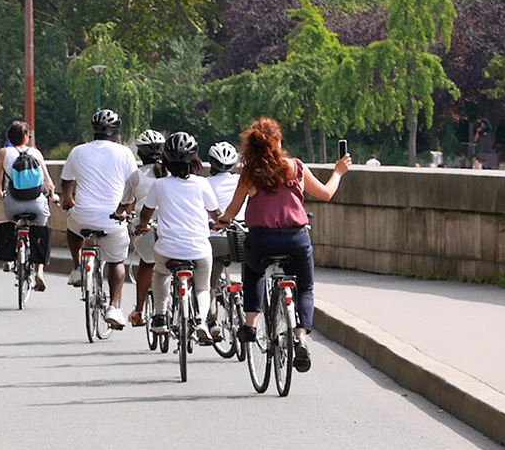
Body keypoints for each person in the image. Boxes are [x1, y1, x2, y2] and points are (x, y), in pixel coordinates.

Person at [215, 117, 350, 373]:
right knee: (306, 288)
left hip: (261, 240)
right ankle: (301, 338)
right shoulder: (295, 167)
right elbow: (326, 193)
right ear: (278, 142)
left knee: (253, 272)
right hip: (296, 239)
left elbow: (232, 211)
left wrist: (221, 222)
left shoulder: (249, 174)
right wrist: (338, 172)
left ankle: (251, 324)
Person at [135, 132, 223, 343]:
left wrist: (143, 226)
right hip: (199, 250)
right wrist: (220, 223)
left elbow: (146, 213)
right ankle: (201, 321)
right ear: (195, 159)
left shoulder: (160, 185)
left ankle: (160, 316)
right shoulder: (202, 184)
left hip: (168, 250)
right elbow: (216, 214)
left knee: (161, 275)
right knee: (202, 287)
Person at [60, 108, 139, 329]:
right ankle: (114, 306)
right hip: (112, 219)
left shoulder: (78, 151)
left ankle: (77, 267)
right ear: (115, 133)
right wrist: (128, 209)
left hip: (83, 216)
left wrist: (68, 200)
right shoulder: (125, 153)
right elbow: (133, 185)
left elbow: (67, 182)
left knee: (72, 227)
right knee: (116, 261)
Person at [0, 120, 56, 290]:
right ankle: (40, 270)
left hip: (14, 203)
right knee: (41, 227)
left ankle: (9, 259)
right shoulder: (36, 153)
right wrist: (53, 195)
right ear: (26, 137)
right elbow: (48, 182)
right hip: (36, 203)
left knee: (12, 222)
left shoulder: (3, 153)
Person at [117, 129, 165, 327]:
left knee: (147, 263)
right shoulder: (172, 173)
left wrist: (117, 214)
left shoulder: (136, 176)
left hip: (144, 228)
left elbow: (124, 204)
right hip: (170, 225)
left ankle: (139, 310)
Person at [206, 140, 242, 337]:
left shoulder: (204, 183)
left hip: (215, 239)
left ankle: (212, 320)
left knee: (208, 281)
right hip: (241, 237)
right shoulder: (242, 181)